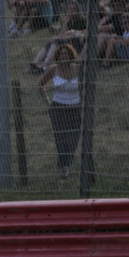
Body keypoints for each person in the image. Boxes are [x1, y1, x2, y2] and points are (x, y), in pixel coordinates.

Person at [38, 43, 81, 179]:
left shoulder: (78, 69)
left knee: (73, 138)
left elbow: (85, 85)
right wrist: (47, 101)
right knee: (61, 138)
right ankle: (65, 168)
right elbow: (40, 85)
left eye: (66, 54)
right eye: (61, 54)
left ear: (70, 55)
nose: (64, 56)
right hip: (58, 107)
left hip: (75, 107)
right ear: (58, 56)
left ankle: (67, 163)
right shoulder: (53, 70)